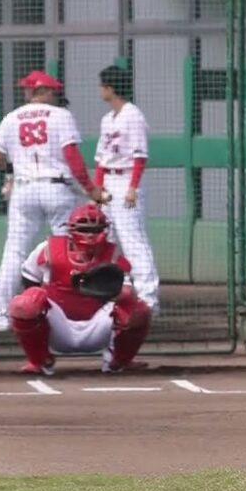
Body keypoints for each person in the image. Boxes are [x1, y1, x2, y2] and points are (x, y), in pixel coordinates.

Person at [0, 70, 109, 332]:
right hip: (56, 190)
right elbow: (73, 157)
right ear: (46, 92)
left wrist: (17, 165)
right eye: (53, 91)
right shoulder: (61, 116)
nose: (56, 95)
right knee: (67, 251)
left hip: (24, 190)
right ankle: (69, 311)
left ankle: (1, 316)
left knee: (14, 251)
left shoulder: (11, 118)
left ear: (32, 92)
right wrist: (90, 189)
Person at [8, 203, 152, 375]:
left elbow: (128, 292)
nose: (90, 235)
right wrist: (38, 307)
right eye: (85, 229)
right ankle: (40, 360)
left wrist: (99, 289)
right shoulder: (48, 249)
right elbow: (29, 279)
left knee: (139, 308)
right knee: (26, 303)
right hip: (58, 325)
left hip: (97, 325)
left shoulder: (113, 254)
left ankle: (118, 361)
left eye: (96, 229)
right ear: (71, 230)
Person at [93, 65, 160, 313]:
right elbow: (100, 159)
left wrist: (133, 187)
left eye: (102, 86)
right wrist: (97, 190)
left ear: (111, 88)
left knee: (133, 241)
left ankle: (149, 299)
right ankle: (114, 293)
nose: (100, 90)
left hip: (125, 182)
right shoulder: (107, 119)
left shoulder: (133, 115)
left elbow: (140, 156)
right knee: (106, 241)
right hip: (109, 184)